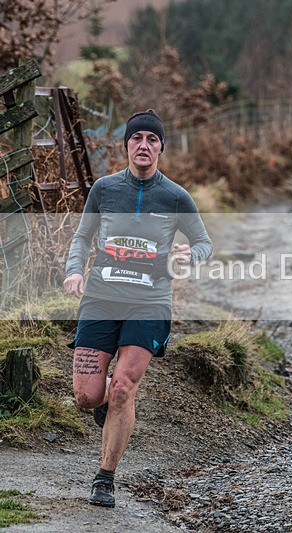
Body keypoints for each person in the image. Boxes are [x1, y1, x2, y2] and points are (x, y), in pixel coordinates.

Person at [63, 109, 213, 507]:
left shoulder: (176, 196)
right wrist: (74, 271)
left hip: (150, 301)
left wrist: (187, 256)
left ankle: (105, 478)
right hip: (100, 298)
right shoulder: (105, 189)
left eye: (151, 139)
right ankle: (105, 406)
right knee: (87, 396)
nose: (143, 145)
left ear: (161, 146)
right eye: (136, 139)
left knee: (124, 389)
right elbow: (81, 238)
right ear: (126, 145)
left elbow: (204, 243)